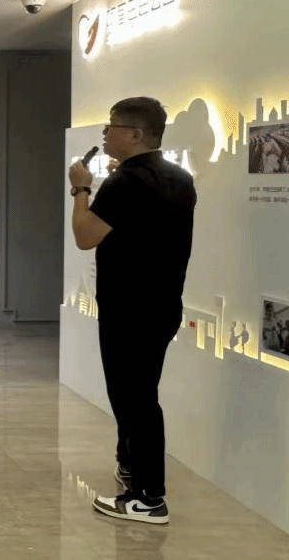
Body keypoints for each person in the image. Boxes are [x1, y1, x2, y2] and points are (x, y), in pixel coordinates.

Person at [69, 96, 196, 525]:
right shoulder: (179, 178)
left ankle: (148, 497)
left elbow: (85, 236)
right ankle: (129, 467)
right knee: (139, 394)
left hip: (128, 309)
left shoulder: (124, 182)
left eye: (113, 126)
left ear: (137, 134)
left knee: (134, 401)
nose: (105, 133)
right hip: (162, 305)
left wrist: (81, 188)